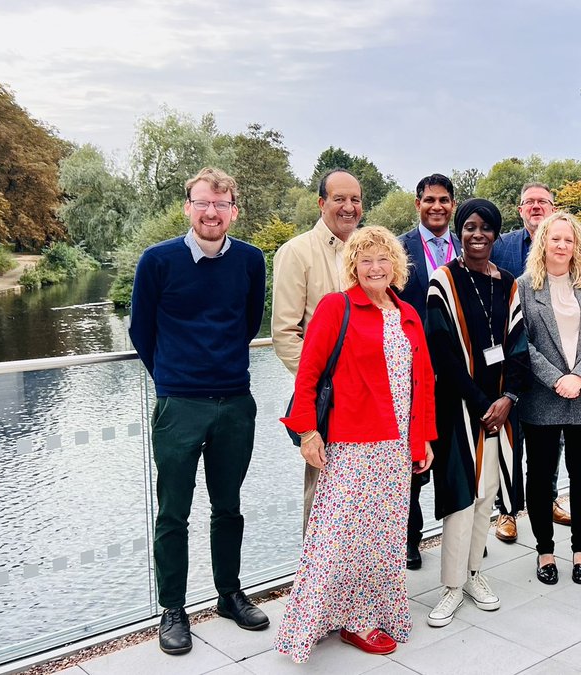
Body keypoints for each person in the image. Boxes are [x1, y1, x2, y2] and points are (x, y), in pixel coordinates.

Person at [275, 226, 436, 660]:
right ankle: (334, 620)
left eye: (383, 259)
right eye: (366, 260)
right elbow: (308, 374)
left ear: (396, 266)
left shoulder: (407, 314)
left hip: (398, 445)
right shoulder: (336, 306)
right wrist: (308, 432)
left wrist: (423, 440)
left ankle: (368, 611)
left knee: (383, 535)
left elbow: (422, 383)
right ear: (353, 266)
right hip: (353, 442)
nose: (376, 267)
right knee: (336, 534)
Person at [128, 167, 269, 655]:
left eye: (222, 203)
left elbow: (250, 321)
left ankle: (229, 594)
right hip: (178, 404)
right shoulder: (158, 260)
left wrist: (218, 368)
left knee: (228, 506)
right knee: (173, 512)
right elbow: (140, 331)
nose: (212, 212)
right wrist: (173, 377)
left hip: (234, 401)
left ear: (234, 209)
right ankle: (173, 609)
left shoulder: (251, 261)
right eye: (204, 202)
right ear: (188, 207)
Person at [423, 198, 529, 627]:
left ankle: (473, 575)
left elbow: (519, 348)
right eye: (469, 226)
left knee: (487, 495)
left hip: (499, 411)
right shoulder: (442, 281)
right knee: (461, 496)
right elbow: (441, 354)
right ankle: (450, 586)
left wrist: (508, 400)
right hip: (460, 408)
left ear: (496, 235)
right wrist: (481, 402)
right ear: (459, 232)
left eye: (486, 227)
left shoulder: (508, 284)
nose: (478, 234)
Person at [518, 212, 581, 585]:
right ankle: (544, 550)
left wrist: (579, 377)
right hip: (543, 398)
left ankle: (580, 550)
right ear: (543, 243)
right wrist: (557, 379)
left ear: (577, 246)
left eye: (568, 240)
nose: (561, 246)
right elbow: (521, 344)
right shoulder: (525, 286)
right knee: (540, 479)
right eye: (554, 239)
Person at [271, 169, 362, 532]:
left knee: (364, 497)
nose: (348, 207)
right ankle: (317, 585)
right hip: (329, 401)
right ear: (321, 203)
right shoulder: (297, 252)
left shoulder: (368, 252)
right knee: (324, 497)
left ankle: (359, 583)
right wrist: (323, 384)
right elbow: (284, 333)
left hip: (369, 399)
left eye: (355, 199)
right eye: (339, 199)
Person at [489, 182, 571, 541]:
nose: (536, 207)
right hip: (512, 360)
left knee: (551, 442)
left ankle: (548, 498)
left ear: (553, 208)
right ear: (520, 209)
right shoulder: (503, 247)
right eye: (529, 203)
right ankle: (506, 510)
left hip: (554, 365)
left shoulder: (565, 244)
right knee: (509, 438)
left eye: (543, 202)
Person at [396, 173, 460, 570]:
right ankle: (411, 539)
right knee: (414, 461)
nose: (437, 206)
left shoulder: (467, 244)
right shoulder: (400, 249)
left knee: (455, 457)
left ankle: (458, 535)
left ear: (453, 204)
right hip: (413, 371)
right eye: (429, 200)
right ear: (417, 203)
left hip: (458, 369)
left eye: (444, 200)